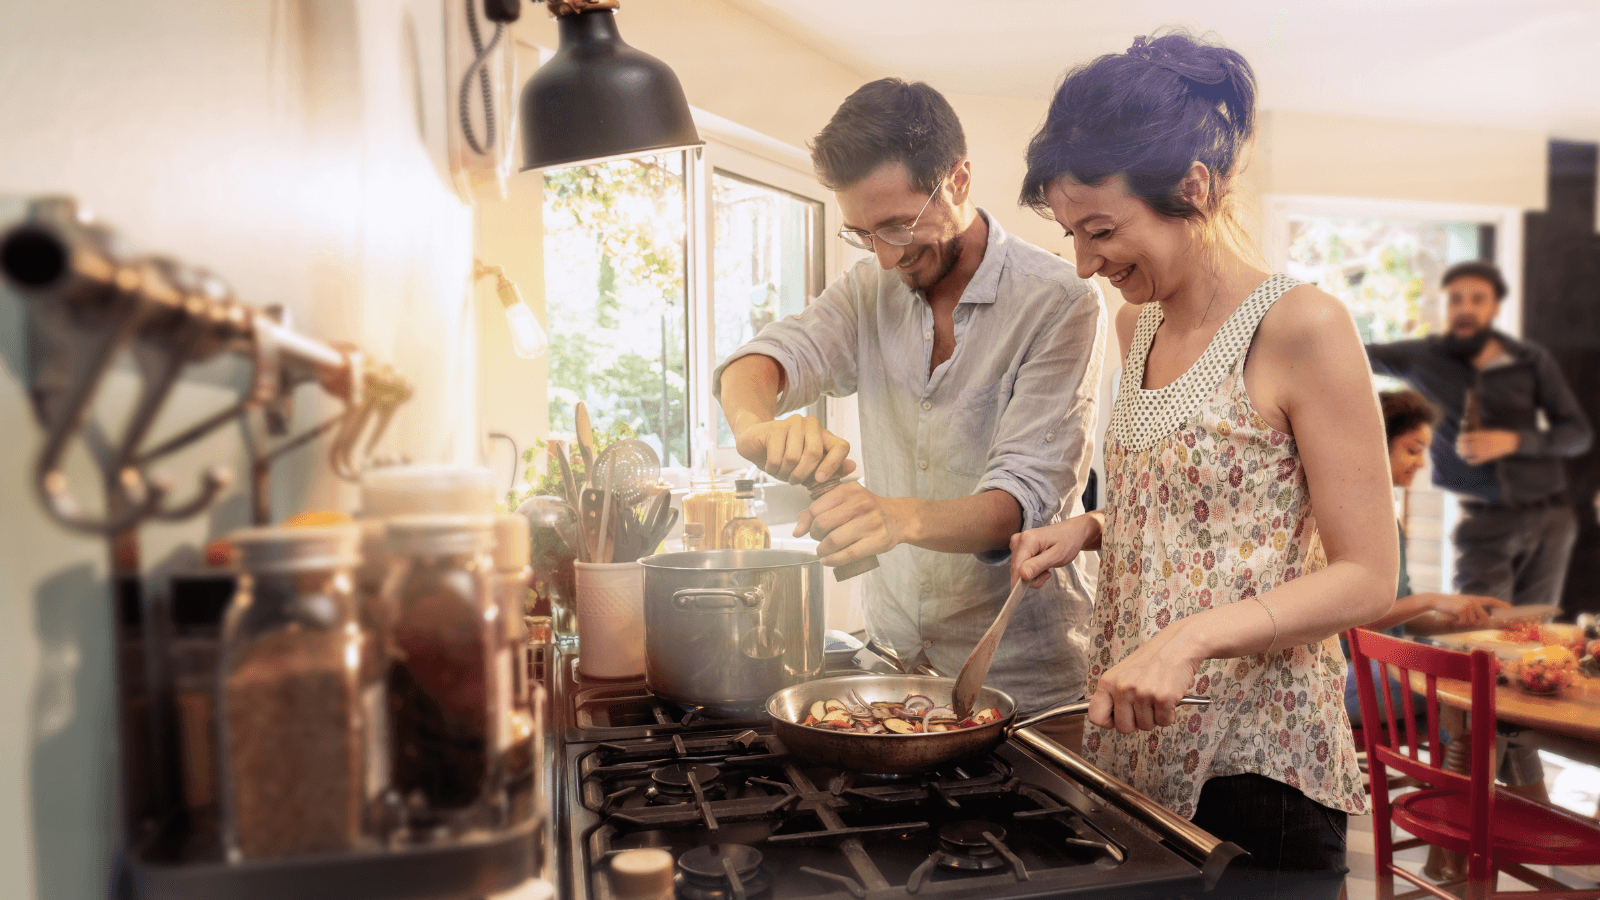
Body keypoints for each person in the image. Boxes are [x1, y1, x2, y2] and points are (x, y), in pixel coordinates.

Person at [1010, 31, 1398, 899]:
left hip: (1257, 765)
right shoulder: (1133, 325)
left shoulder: (1301, 327)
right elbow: (1220, 509)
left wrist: (1186, 640)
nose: (1085, 264)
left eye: (1102, 230)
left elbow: (1370, 575)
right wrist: (1097, 526)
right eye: (1073, 233)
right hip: (1136, 748)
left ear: (1193, 187)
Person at [713, 78, 1106, 747]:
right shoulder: (870, 286)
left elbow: (1025, 500)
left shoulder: (1061, 300)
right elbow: (767, 358)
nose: (887, 254)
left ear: (958, 179)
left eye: (899, 225)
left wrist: (897, 516)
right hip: (894, 665)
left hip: (1028, 685)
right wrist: (756, 428)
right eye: (863, 232)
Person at [1366, 261, 1592, 610]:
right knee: (1479, 629)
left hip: (1552, 515)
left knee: (1534, 632)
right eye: (1455, 299)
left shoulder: (1531, 360)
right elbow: (1351, 355)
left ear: (1494, 307)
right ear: (1445, 304)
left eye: (1477, 299)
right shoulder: (1421, 358)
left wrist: (1515, 441)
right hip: (1484, 520)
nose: (1465, 307)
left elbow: (1578, 434)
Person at [1342, 389, 1510, 726]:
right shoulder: (1348, 517)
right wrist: (1431, 599)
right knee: (1492, 691)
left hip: (1385, 662)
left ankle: (1467, 775)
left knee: (1499, 682)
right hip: (1344, 677)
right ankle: (1459, 778)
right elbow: (1345, 624)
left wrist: (1463, 619)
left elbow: (1397, 613)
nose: (1421, 462)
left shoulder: (1387, 517)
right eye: (1412, 450)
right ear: (1375, 445)